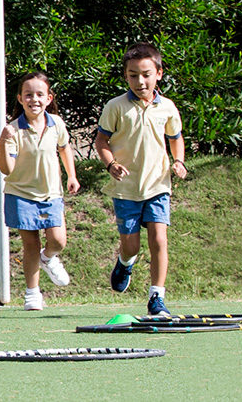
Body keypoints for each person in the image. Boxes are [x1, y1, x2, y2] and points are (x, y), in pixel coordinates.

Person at [94, 42, 188, 316]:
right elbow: (102, 139)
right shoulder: (115, 107)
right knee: (131, 245)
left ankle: (156, 298)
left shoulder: (168, 107)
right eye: (133, 75)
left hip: (158, 185)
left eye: (146, 74)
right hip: (126, 189)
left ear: (159, 73)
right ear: (125, 76)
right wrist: (110, 163)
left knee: (159, 239)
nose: (140, 81)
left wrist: (178, 161)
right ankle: (125, 262)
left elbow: (175, 138)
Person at [0, 71, 77, 311]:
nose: (35, 100)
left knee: (58, 241)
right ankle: (32, 293)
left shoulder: (57, 123)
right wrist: (2, 141)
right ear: (20, 99)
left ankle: (48, 257)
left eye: (40, 94)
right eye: (28, 95)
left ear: (49, 98)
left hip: (52, 193)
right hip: (21, 194)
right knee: (30, 244)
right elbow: (7, 169)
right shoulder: (12, 130)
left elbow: (65, 148)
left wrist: (71, 175)